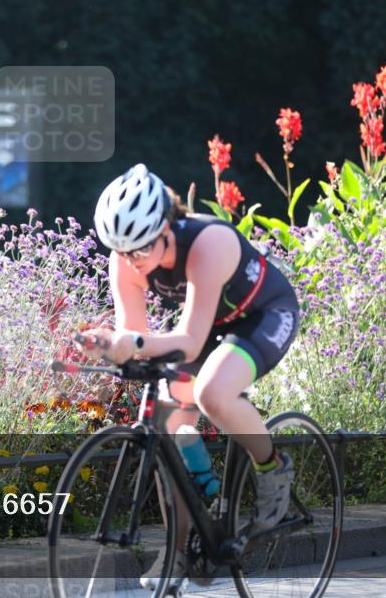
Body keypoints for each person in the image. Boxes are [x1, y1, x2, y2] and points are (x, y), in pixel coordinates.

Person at [78, 163, 300, 594]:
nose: (132, 262)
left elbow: (192, 342)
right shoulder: (124, 260)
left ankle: (273, 469)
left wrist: (132, 343)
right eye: (122, 252)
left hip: (263, 314)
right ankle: (184, 539)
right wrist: (110, 344)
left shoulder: (207, 242)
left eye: (141, 250)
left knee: (213, 392)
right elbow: (133, 332)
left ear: (167, 226)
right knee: (165, 417)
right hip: (212, 326)